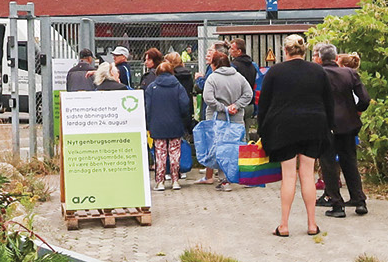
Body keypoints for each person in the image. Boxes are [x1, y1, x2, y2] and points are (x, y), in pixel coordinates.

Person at [257, 34, 334, 237]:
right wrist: (329, 127)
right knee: (307, 174)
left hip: (284, 128)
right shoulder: (318, 71)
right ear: (305, 50)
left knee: (288, 175)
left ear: (285, 51)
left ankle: (284, 225)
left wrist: (263, 133)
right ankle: (311, 224)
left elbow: (263, 105)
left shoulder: (275, 72)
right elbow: (329, 102)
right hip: (313, 125)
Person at [314, 42, 370, 218]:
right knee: (350, 161)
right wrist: (356, 111)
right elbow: (365, 99)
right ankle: (359, 200)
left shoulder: (317, 75)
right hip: (348, 123)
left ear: (320, 59)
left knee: (328, 164)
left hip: (326, 125)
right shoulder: (349, 73)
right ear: (337, 58)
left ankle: (337, 204)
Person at [201, 49, 254, 190]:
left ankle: (225, 181)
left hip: (217, 118)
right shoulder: (239, 77)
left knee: (220, 148)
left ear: (215, 65)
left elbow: (208, 98)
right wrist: (236, 106)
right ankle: (245, 178)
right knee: (237, 148)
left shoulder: (212, 78)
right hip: (236, 118)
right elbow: (249, 94)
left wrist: (222, 108)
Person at [143, 59, 192, 191]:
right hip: (175, 124)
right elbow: (184, 105)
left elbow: (148, 108)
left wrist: (149, 124)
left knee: (160, 153)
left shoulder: (152, 88)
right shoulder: (178, 87)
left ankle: (160, 182)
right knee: (175, 153)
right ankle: (175, 180)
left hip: (157, 125)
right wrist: (184, 121)